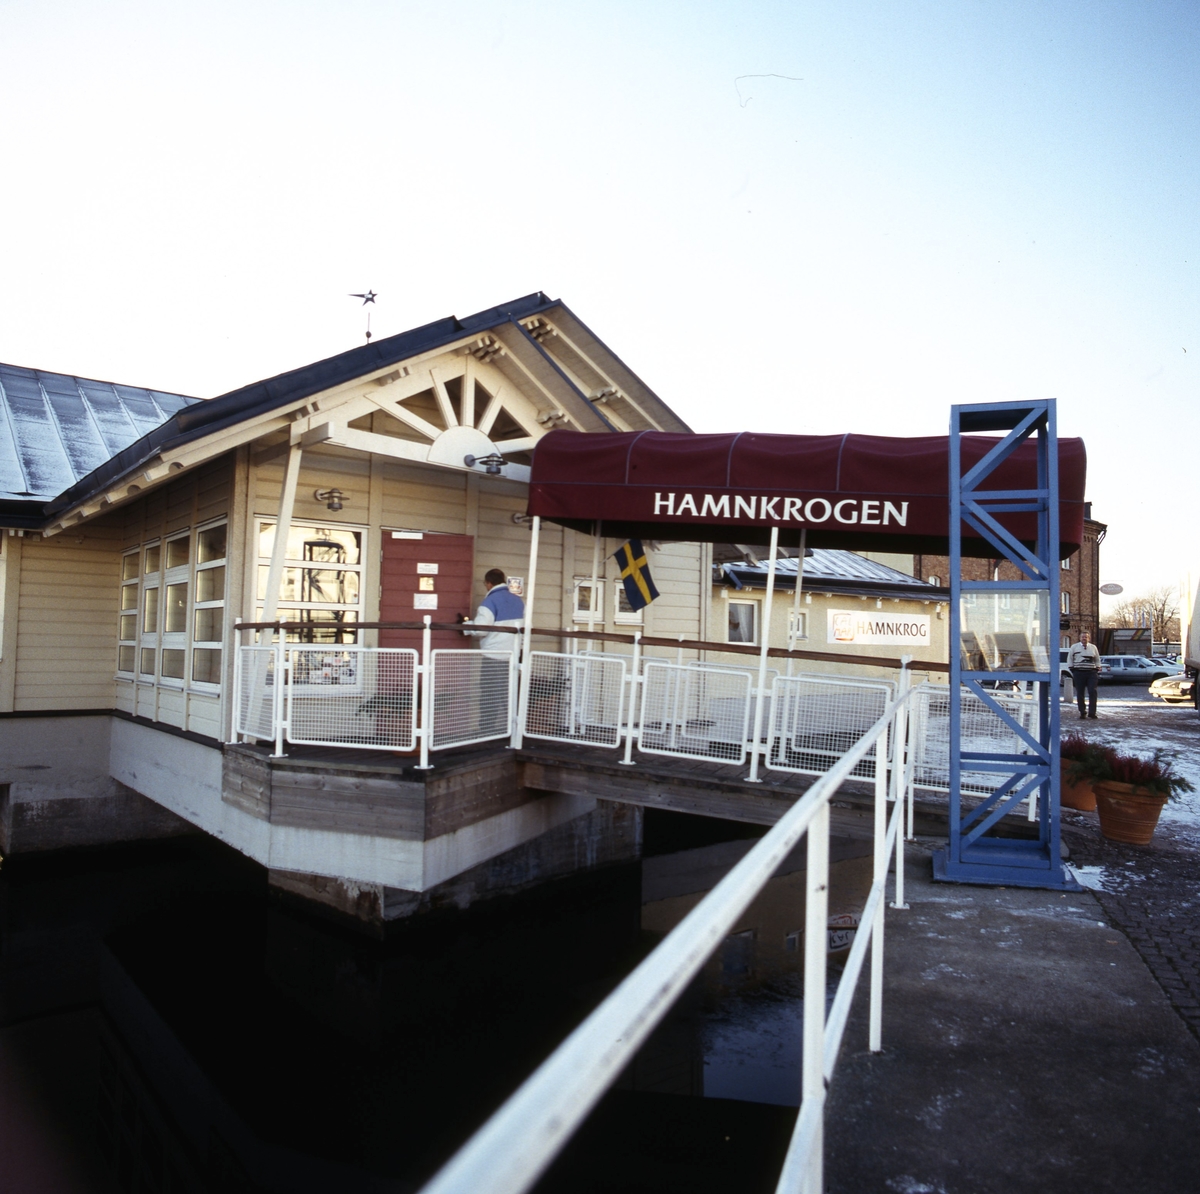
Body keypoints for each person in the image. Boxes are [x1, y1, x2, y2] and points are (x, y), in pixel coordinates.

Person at [461, 568, 524, 734]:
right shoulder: (518, 601)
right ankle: (514, 730)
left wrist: (465, 627)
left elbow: (481, 629)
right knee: (510, 694)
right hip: (513, 655)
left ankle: (487, 730)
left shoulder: (489, 602)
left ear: (488, 583)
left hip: (493, 655)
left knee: (489, 694)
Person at [1067, 630, 1101, 719]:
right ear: (1080, 638)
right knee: (1080, 692)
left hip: (1091, 673)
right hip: (1079, 672)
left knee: (1092, 691)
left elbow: (1097, 659)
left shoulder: (1093, 647)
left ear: (1089, 638)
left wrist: (1097, 668)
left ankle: (1092, 712)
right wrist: (1072, 669)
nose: (1084, 638)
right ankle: (1082, 712)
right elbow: (1070, 659)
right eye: (1082, 637)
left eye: (1086, 637)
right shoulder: (1074, 647)